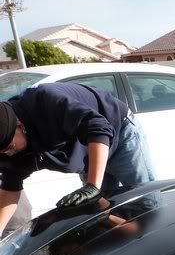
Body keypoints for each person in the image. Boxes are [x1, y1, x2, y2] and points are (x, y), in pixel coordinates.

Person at [0, 82, 156, 237]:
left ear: (19, 125)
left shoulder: (46, 100)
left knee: (145, 203)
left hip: (118, 132)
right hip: (90, 153)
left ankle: (157, 241)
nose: (9, 154)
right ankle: (132, 246)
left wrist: (92, 186)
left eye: (9, 147)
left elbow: (98, 128)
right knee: (98, 213)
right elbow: (10, 189)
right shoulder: (7, 146)